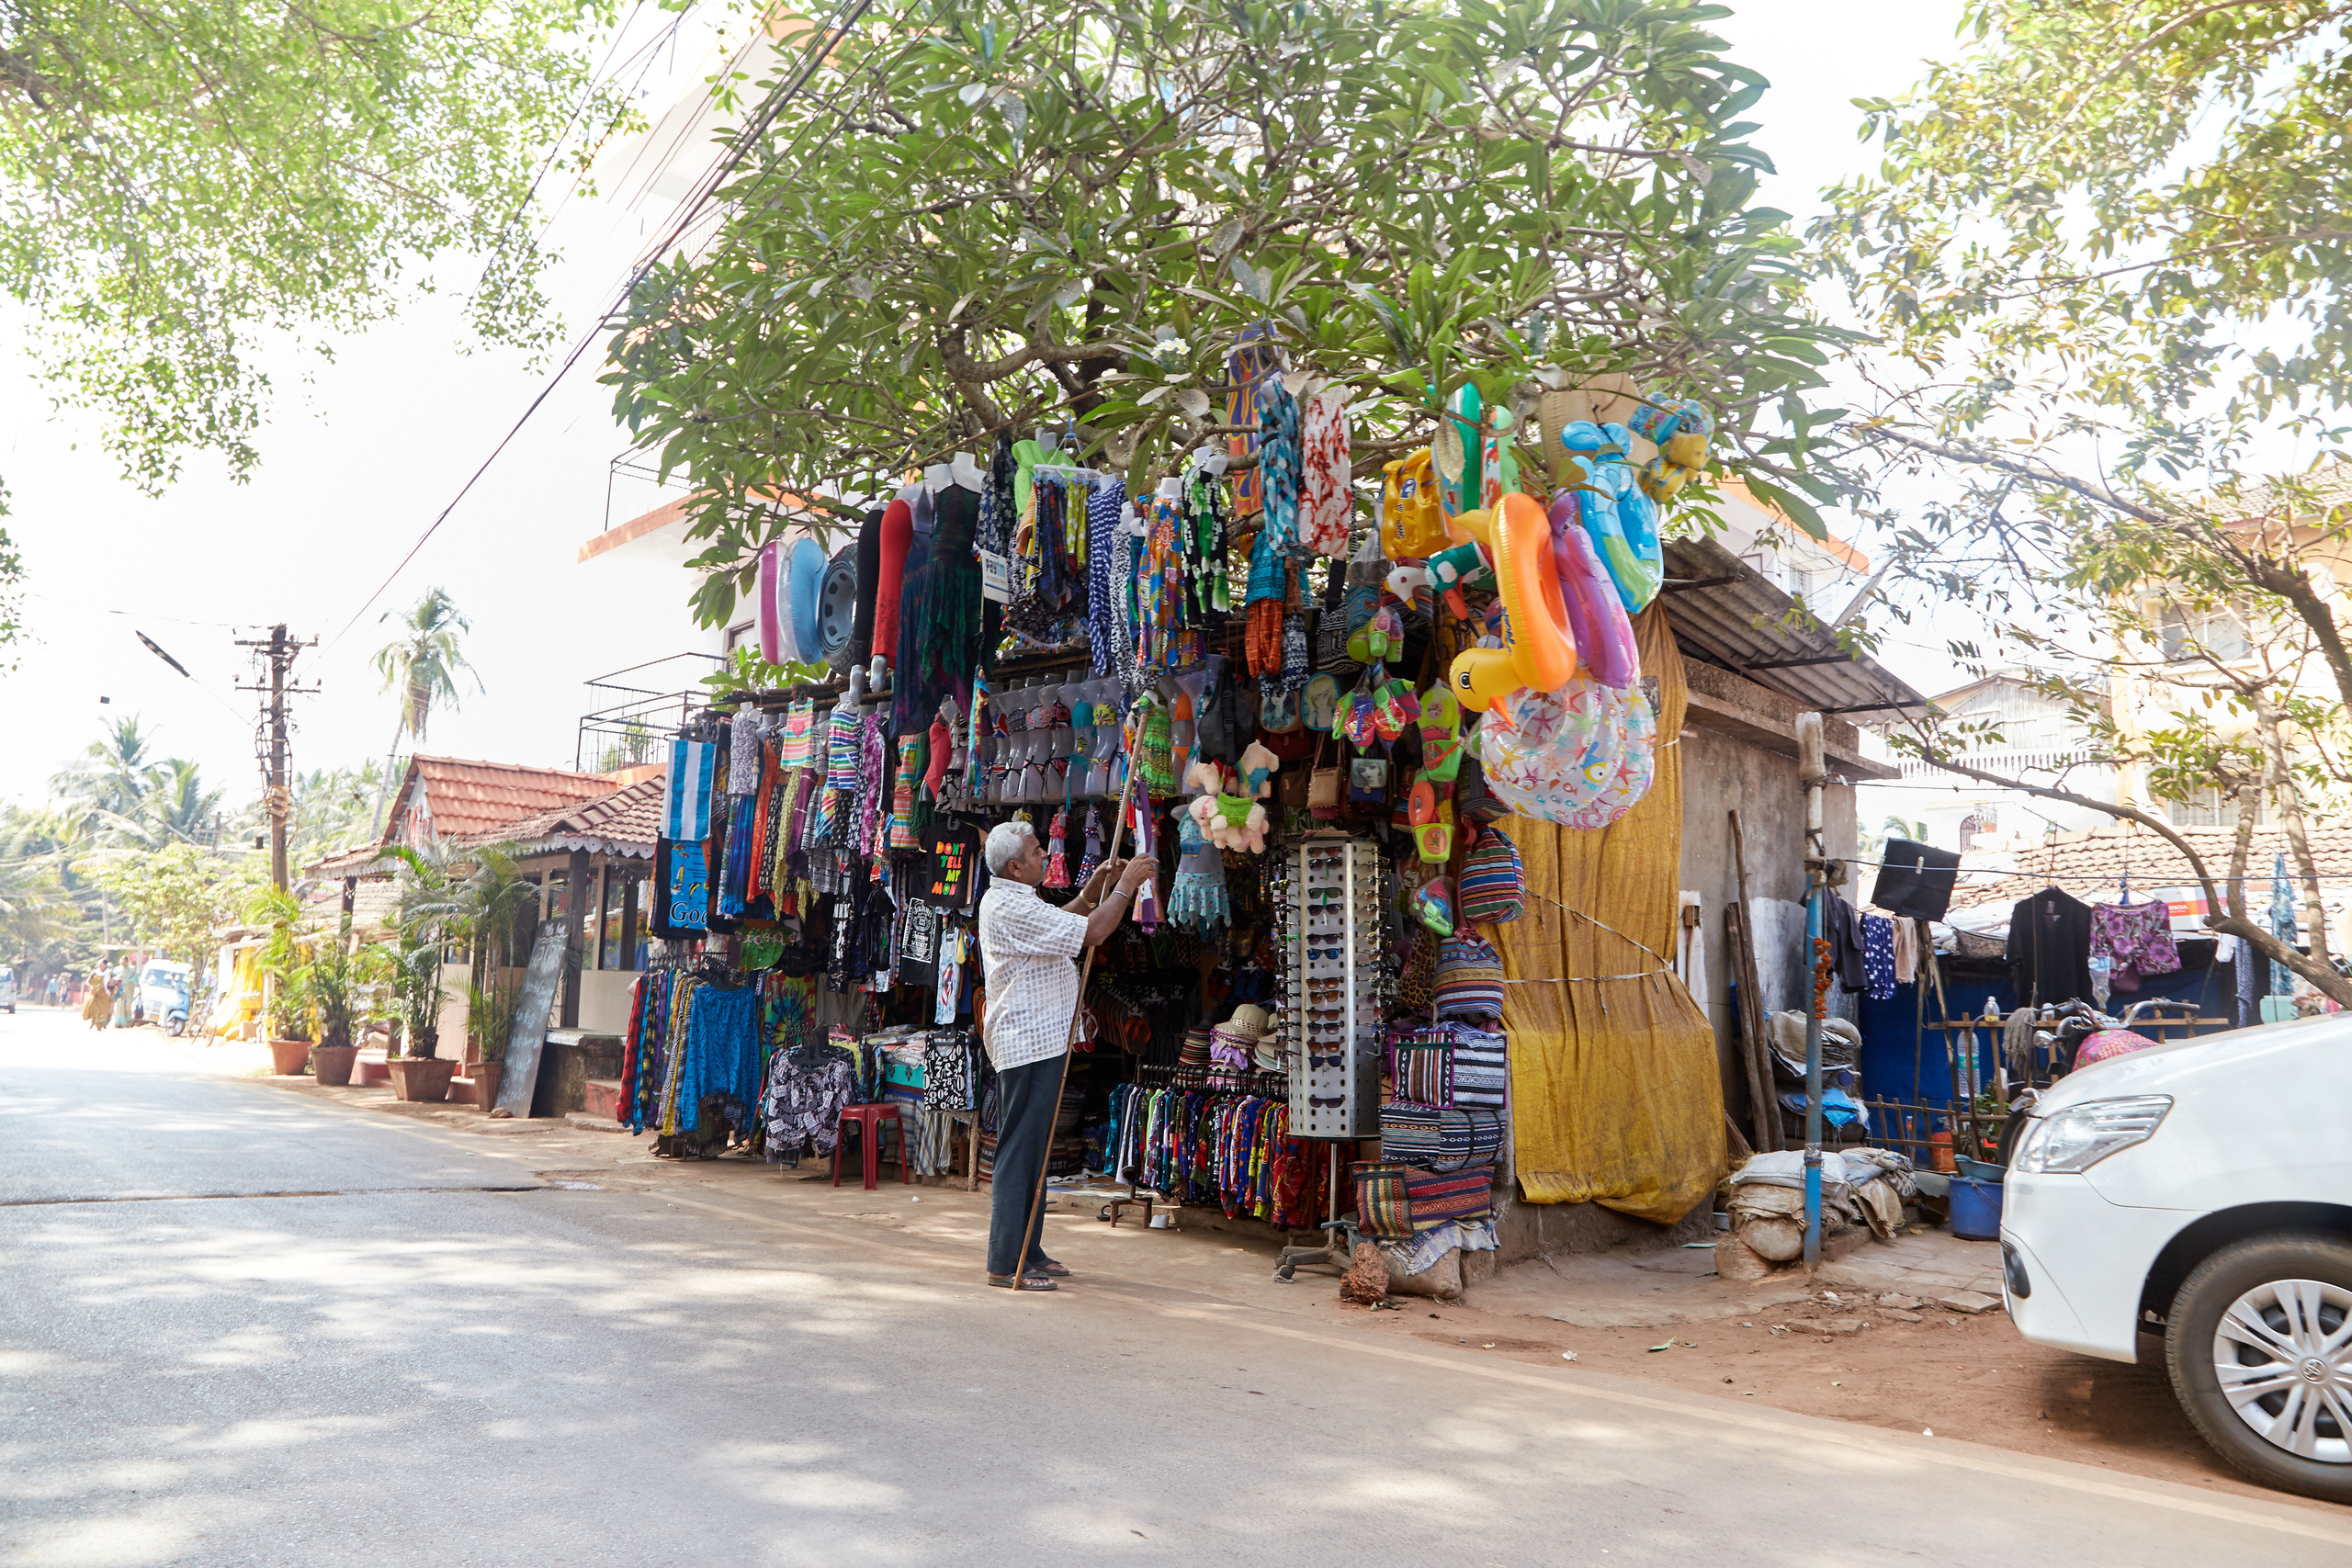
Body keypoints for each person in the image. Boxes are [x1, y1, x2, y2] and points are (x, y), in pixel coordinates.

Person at [975, 817, 1155, 1292]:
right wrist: (1127, 888)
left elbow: (1066, 923)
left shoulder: (1016, 899)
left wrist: (1095, 888)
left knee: (1035, 1150)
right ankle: (1005, 1261)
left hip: (1039, 1040)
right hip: (1026, 1042)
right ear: (1015, 866)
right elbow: (1091, 933)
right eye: (1036, 853)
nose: (1045, 857)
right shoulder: (1010, 906)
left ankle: (1027, 1251)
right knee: (1020, 1152)